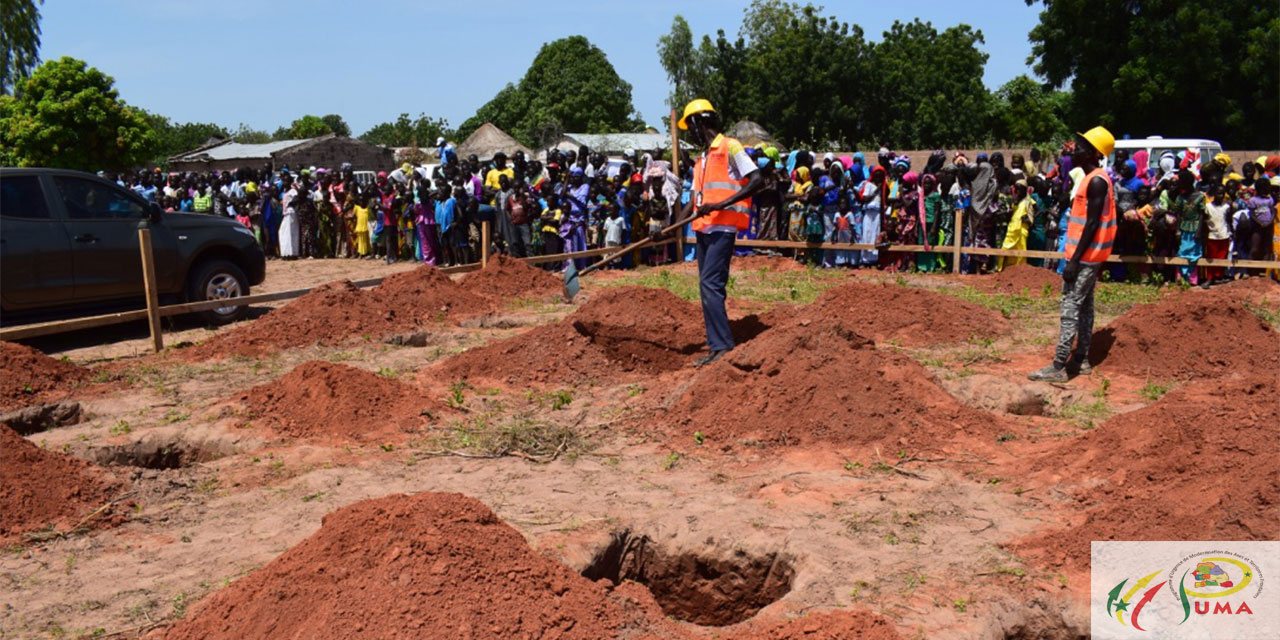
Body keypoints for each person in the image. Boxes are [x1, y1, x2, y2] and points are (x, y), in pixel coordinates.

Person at [678, 98, 765, 366]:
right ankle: (717, 345)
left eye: (689, 127)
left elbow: (757, 180)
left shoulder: (730, 146)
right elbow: (695, 200)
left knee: (710, 284)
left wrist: (721, 204)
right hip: (704, 229)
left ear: (698, 122)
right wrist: (672, 227)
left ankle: (723, 346)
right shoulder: (701, 159)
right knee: (708, 287)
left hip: (723, 226)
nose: (689, 133)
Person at [1030, 126, 1116, 383]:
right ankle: (1082, 359)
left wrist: (1075, 260)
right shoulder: (1093, 178)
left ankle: (1059, 366)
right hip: (1089, 255)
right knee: (1085, 307)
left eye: (1079, 147)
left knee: (1070, 308)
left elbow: (1091, 224)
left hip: (1085, 257)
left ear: (1093, 153)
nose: (1073, 151)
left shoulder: (1097, 181)